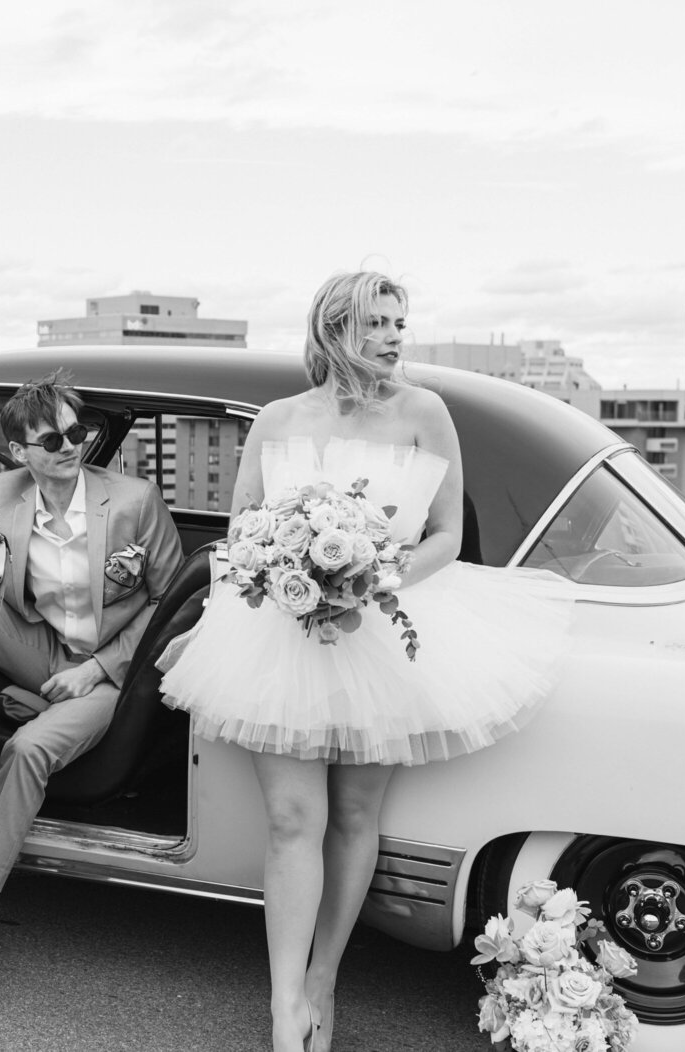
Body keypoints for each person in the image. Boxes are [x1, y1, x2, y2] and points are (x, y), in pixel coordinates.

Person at [160, 271, 572, 1051]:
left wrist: (369, 581)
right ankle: (286, 1006)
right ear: (335, 328)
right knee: (291, 819)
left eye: (399, 322)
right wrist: (271, 584)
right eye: (377, 322)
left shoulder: (426, 413)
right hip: (278, 632)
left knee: (353, 816)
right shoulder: (279, 420)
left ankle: (324, 979)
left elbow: (446, 533)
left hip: (386, 630)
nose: (393, 336)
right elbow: (241, 527)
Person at [0, 369, 184, 996]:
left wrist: (96, 670)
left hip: (112, 671)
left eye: (76, 433)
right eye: (52, 441)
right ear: (22, 453)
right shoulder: (5, 488)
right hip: (41, 649)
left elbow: (173, 611)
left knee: (28, 750)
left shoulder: (133, 501)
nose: (70, 446)